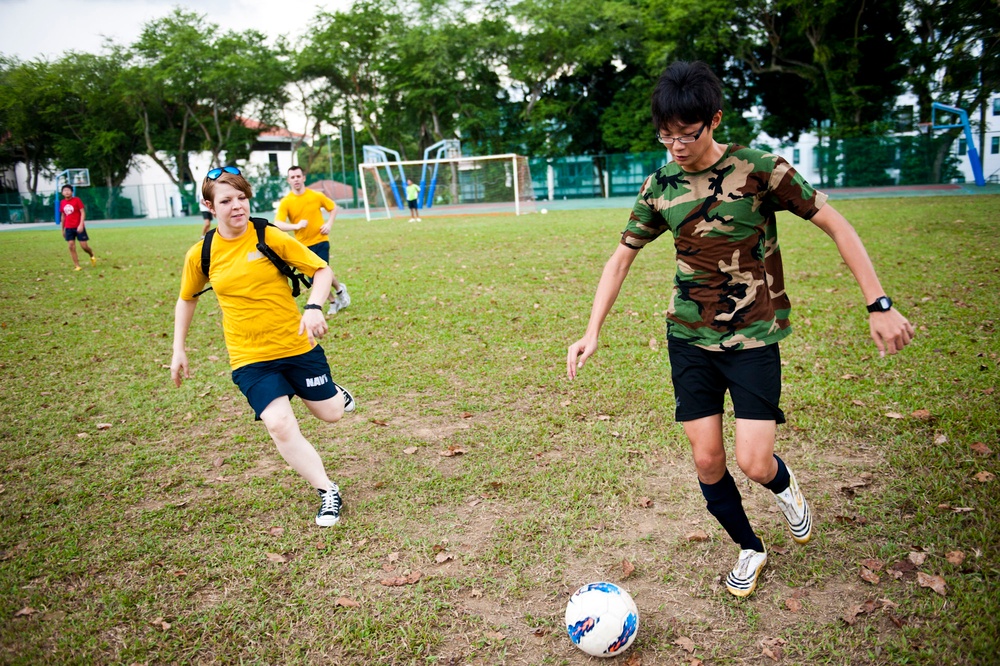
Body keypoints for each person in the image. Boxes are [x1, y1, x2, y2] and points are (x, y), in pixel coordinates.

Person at [566, 61, 915, 598]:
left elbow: (836, 224)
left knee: (754, 462)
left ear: (714, 120)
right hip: (688, 337)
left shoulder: (759, 169)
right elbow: (620, 260)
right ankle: (750, 548)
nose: (676, 146)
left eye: (687, 133)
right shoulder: (660, 186)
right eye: (665, 134)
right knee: (707, 458)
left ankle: (785, 486)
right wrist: (592, 331)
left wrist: (879, 302)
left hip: (753, 335)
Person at [171, 166, 356, 527]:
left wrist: (315, 306)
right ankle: (326, 490)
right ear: (210, 206)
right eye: (227, 200)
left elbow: (320, 270)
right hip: (250, 356)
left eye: (242, 197)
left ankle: (334, 394)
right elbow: (187, 299)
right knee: (279, 423)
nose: (237, 206)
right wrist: (179, 348)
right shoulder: (202, 253)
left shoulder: (268, 235)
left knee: (331, 414)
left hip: (296, 344)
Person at [273, 165, 351, 315]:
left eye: (298, 176)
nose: (296, 179)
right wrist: (296, 225)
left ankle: (338, 295)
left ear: (303, 178)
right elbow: (277, 224)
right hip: (303, 246)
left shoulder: (316, 196)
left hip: (321, 240)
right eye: (292, 177)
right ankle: (335, 298)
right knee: (314, 279)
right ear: (288, 180)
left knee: (322, 272)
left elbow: (333, 207)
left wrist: (328, 224)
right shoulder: (286, 202)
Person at [59, 184, 96, 271]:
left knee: (84, 246)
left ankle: (91, 254)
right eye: (65, 190)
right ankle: (77, 265)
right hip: (68, 227)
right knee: (71, 246)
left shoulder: (77, 200)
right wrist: (62, 229)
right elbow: (63, 216)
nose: (67, 192)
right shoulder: (62, 202)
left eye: (68, 190)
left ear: (72, 192)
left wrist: (81, 224)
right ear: (62, 193)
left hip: (78, 226)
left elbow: (82, 212)